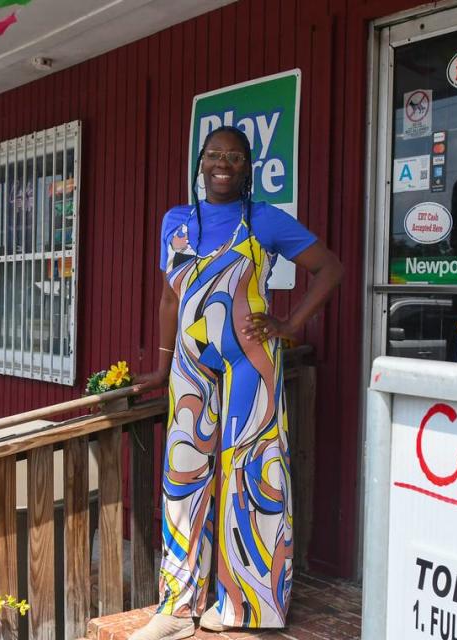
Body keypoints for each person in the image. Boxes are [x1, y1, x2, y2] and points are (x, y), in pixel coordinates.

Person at [130, 125, 343, 639]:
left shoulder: (264, 220)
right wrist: (161, 367)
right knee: (184, 472)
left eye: (234, 157)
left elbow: (329, 268)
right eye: (214, 155)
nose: (222, 163)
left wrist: (290, 326)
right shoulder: (174, 223)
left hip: (250, 362)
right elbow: (168, 300)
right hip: (189, 364)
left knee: (251, 474)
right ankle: (177, 607)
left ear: (248, 168)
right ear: (200, 163)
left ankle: (247, 605)